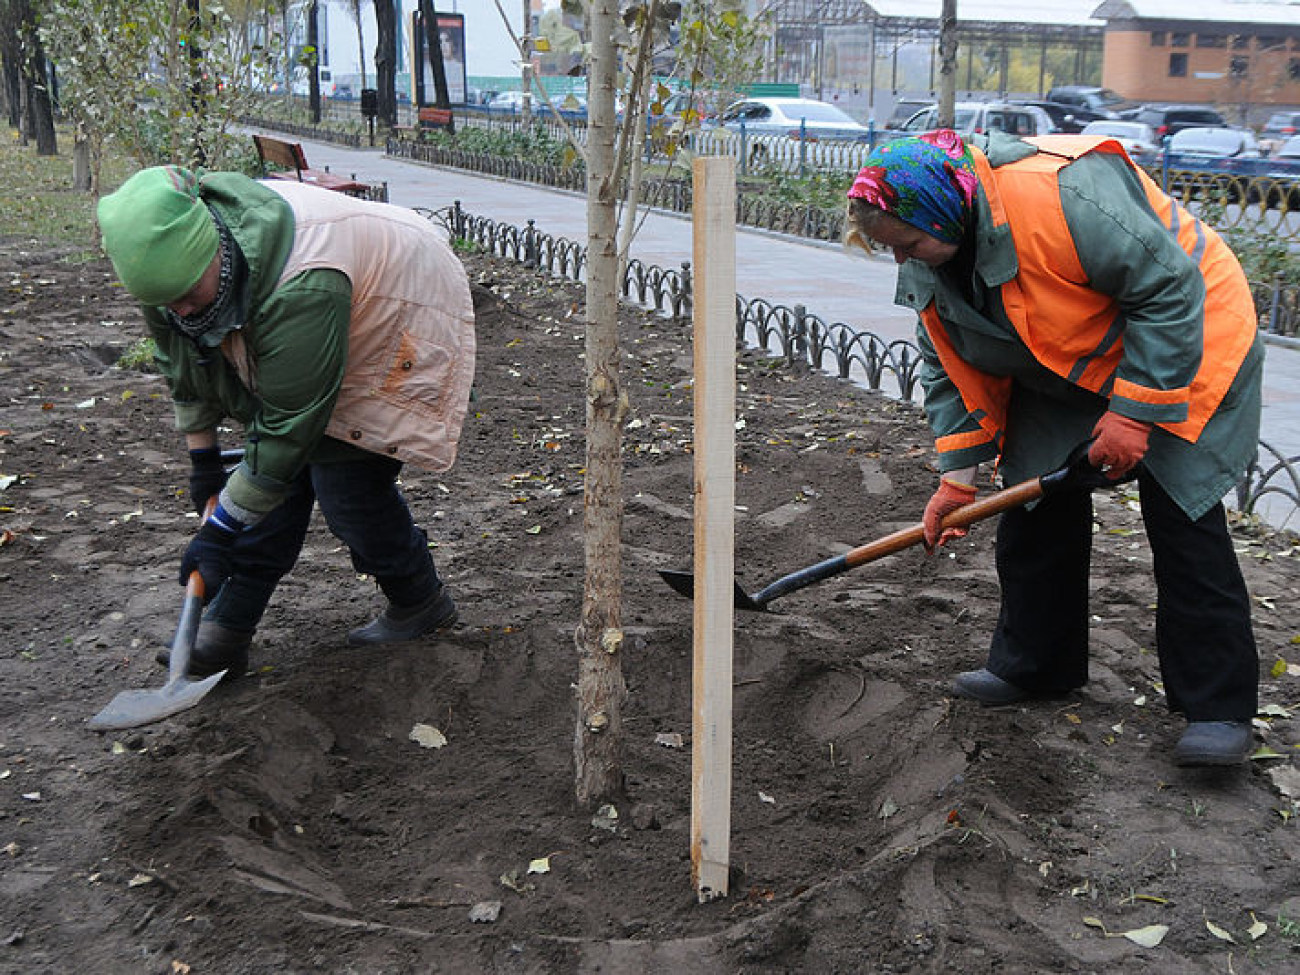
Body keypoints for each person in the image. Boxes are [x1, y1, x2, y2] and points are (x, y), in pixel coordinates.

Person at [844, 130, 1263, 767]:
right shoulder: (931, 261)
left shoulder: (1064, 198)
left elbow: (1172, 292)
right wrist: (956, 478)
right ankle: (1036, 666)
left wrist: (1134, 413)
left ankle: (1218, 708)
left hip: (1188, 339)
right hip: (1064, 361)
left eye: (910, 244)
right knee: (1036, 504)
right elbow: (949, 363)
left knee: (1183, 520)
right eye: (891, 251)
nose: (906, 261)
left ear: (943, 212)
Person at [97, 166, 476, 678]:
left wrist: (221, 530)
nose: (181, 309)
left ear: (212, 251)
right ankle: (227, 628)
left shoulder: (303, 285)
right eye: (168, 302)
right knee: (271, 481)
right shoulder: (168, 278)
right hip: (325, 306)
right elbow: (186, 372)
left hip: (397, 304)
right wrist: (204, 464)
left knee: (345, 484)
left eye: (188, 293)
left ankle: (420, 600)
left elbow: (287, 429)